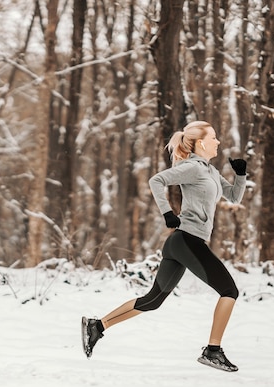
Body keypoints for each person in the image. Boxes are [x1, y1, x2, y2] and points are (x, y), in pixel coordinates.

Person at [81, 120, 247, 372]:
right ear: (201, 142)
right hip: (187, 240)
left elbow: (234, 197)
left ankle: (97, 326)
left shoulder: (210, 171)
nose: (218, 142)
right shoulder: (192, 167)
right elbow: (156, 180)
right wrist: (167, 212)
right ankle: (213, 351)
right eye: (214, 137)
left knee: (153, 300)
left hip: (183, 243)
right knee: (229, 291)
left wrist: (241, 175)